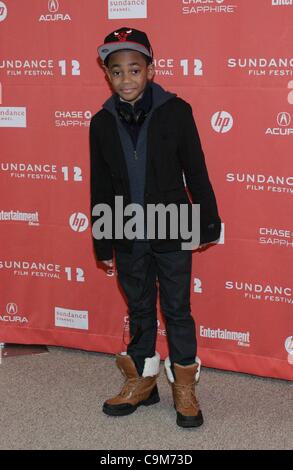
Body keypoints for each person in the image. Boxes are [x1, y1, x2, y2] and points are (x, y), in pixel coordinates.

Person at [90, 27, 221, 428]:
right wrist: (102, 240)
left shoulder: (177, 112)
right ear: (107, 75)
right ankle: (143, 382)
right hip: (127, 230)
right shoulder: (100, 123)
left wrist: (207, 223)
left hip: (174, 226)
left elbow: (196, 171)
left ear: (151, 69)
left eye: (134, 69)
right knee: (140, 307)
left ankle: (184, 385)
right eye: (117, 71)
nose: (126, 79)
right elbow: (99, 184)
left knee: (178, 309)